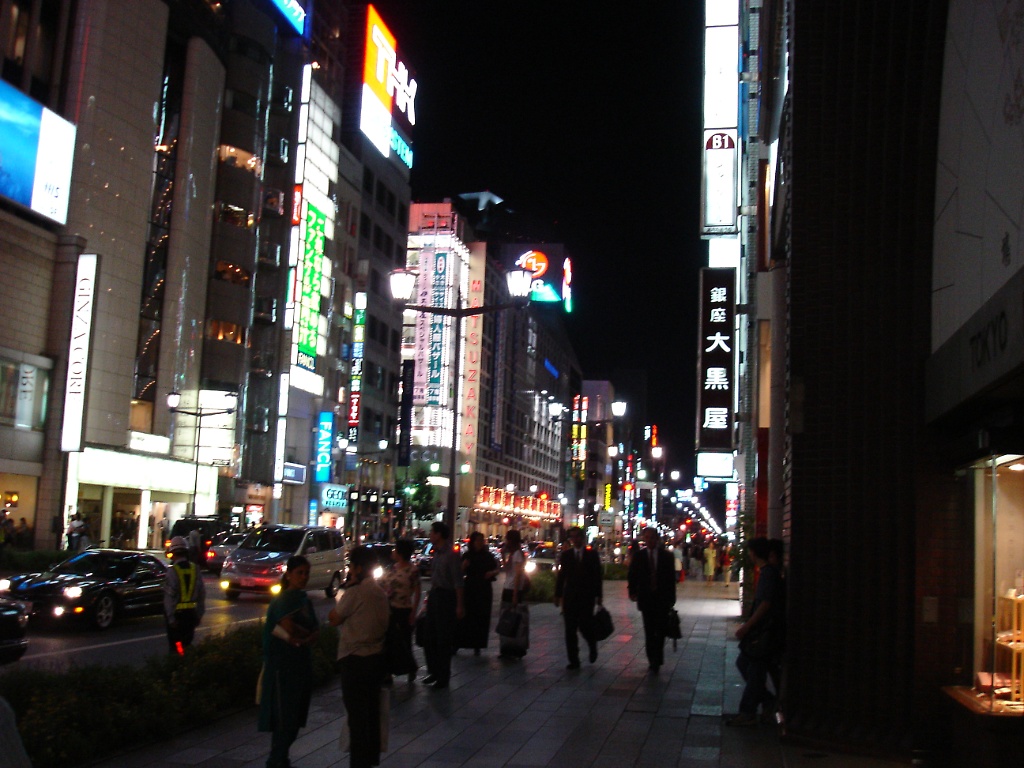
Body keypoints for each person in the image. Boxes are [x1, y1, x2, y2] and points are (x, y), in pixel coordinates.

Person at [329, 545, 390, 768]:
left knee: (356, 715)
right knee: (371, 712)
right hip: (376, 659)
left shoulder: (355, 592)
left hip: (354, 659)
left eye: (351, 566)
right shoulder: (380, 592)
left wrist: (346, 588)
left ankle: (359, 761)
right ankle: (370, 758)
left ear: (357, 568)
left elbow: (334, 618)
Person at [258, 555, 319, 768]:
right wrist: (305, 634)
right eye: (299, 573)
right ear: (289, 575)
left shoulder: (303, 599)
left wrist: (307, 636)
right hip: (283, 667)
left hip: (300, 663)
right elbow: (289, 628)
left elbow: (314, 629)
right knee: (285, 717)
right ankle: (277, 759)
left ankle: (280, 757)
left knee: (295, 716)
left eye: (306, 573)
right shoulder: (283, 600)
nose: (304, 577)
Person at [727, 537, 784, 726]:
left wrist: (747, 626)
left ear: (754, 552)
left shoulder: (768, 573)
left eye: (750, 551)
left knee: (751, 667)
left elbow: (765, 604)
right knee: (749, 666)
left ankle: (748, 711)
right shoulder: (769, 572)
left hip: (764, 633)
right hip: (766, 632)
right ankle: (767, 702)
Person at [627, 527, 677, 672]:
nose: (650, 540)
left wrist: (671, 598)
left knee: (660, 630)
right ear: (644, 539)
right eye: (647, 537)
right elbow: (633, 575)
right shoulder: (639, 556)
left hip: (661, 599)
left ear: (657, 539)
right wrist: (632, 591)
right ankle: (652, 659)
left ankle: (658, 656)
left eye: (652, 537)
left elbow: (670, 579)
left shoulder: (666, 556)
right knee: (649, 630)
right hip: (646, 598)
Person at [421, 521, 464, 687]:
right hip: (435, 594)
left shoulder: (451, 554)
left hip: (447, 597)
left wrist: (460, 605)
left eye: (432, 532)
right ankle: (433, 671)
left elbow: (458, 582)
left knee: (442, 638)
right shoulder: (436, 553)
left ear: (439, 534)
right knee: (428, 636)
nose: (430, 534)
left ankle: (443, 676)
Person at [554, 526, 603, 669]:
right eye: (572, 537)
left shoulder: (592, 555)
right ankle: (573, 660)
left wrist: (599, 596)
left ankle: (592, 644)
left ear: (582, 538)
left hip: (586, 597)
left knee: (584, 626)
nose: (575, 540)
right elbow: (561, 577)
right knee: (570, 629)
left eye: (577, 537)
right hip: (570, 597)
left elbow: (597, 577)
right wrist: (558, 595)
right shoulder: (566, 555)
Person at [379, 537, 421, 681]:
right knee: (389, 641)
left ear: (401, 552)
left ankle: (410, 668)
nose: (393, 552)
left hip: (404, 609)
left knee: (404, 641)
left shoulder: (412, 570)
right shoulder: (392, 568)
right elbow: (383, 584)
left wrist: (414, 611)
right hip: (390, 609)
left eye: (395, 549)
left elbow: (417, 591)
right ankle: (388, 671)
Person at [455, 531, 499, 656]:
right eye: (478, 540)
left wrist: (492, 573)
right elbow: (460, 572)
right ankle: (460, 642)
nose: (480, 543)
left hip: (484, 589)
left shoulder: (487, 556)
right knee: (467, 615)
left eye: (482, 540)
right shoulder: (468, 555)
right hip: (470, 588)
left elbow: (496, 568)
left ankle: (477, 644)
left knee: (481, 617)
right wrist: (463, 566)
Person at [163, 536, 206, 655]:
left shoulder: (173, 571)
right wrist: (199, 615)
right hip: (191, 615)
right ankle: (185, 661)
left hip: (177, 617)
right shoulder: (195, 569)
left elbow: (169, 597)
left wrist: (171, 618)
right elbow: (201, 595)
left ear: (173, 553)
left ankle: (179, 664)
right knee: (186, 643)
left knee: (176, 645)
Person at [497, 528, 529, 659]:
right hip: (509, 588)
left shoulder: (517, 554)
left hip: (513, 590)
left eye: (507, 539)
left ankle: (514, 647)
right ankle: (508, 647)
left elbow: (517, 575)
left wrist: (515, 593)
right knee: (507, 618)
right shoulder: (512, 554)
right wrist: (503, 556)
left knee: (513, 619)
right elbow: (507, 569)